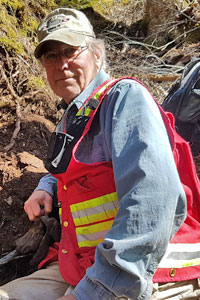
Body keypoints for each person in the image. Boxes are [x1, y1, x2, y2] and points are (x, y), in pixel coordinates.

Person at [1, 6, 199, 300]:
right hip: (87, 263)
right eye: (51, 56)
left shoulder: (124, 99)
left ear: (96, 54)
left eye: (71, 50)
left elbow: (154, 201)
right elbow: (80, 170)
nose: (61, 64)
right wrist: (47, 186)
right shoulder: (74, 115)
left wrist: (96, 291)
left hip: (146, 269)